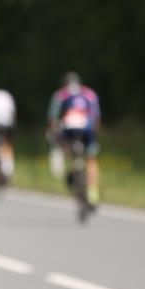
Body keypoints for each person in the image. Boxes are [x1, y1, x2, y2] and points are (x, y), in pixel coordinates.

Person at [47, 71, 101, 205]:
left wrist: (55, 135)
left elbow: (53, 118)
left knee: (63, 146)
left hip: (69, 127)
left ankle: (68, 167)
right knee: (91, 159)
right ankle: (93, 192)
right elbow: (96, 117)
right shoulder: (90, 93)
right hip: (87, 128)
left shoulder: (61, 94)